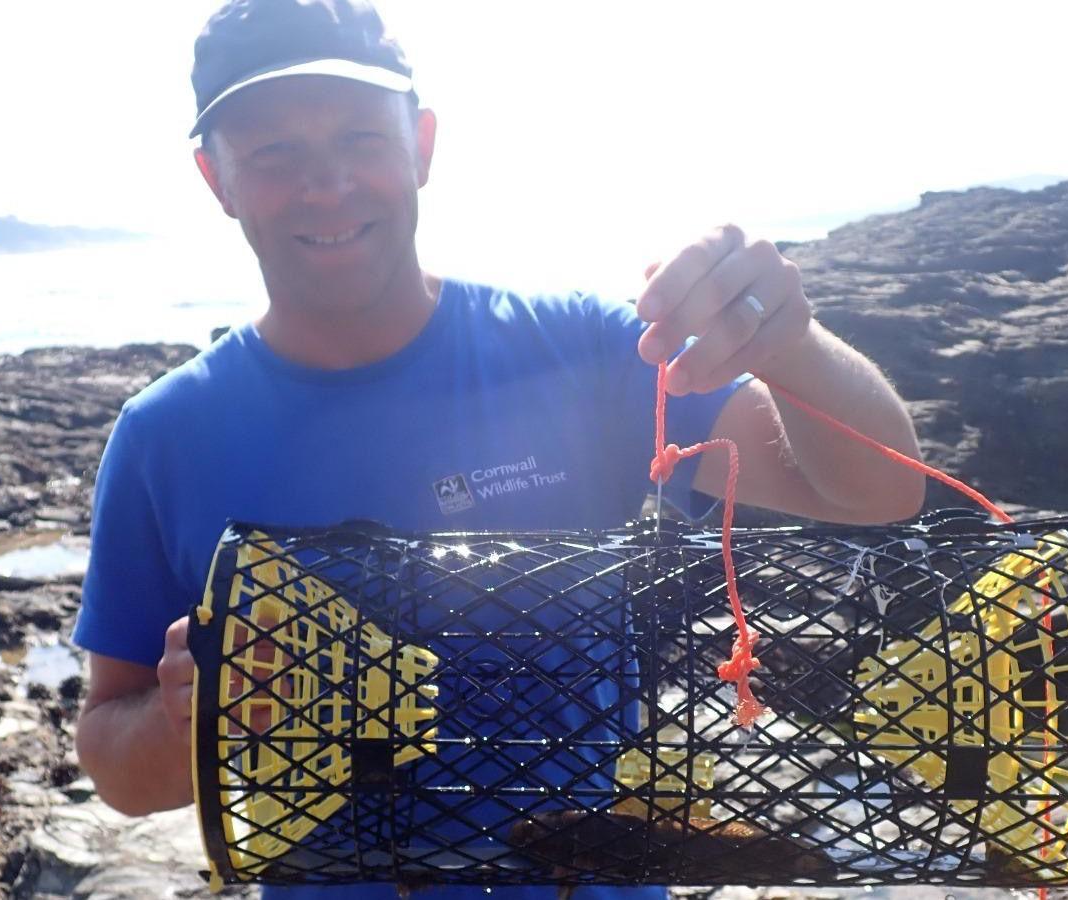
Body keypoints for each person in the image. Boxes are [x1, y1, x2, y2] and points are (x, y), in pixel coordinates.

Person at [73, 1, 924, 898]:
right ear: (217, 178)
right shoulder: (165, 436)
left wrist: (789, 345)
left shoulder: (588, 355)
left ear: (422, 146)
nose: (327, 185)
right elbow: (117, 771)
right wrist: (188, 719)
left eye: (361, 136)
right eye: (274, 152)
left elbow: (877, 492)